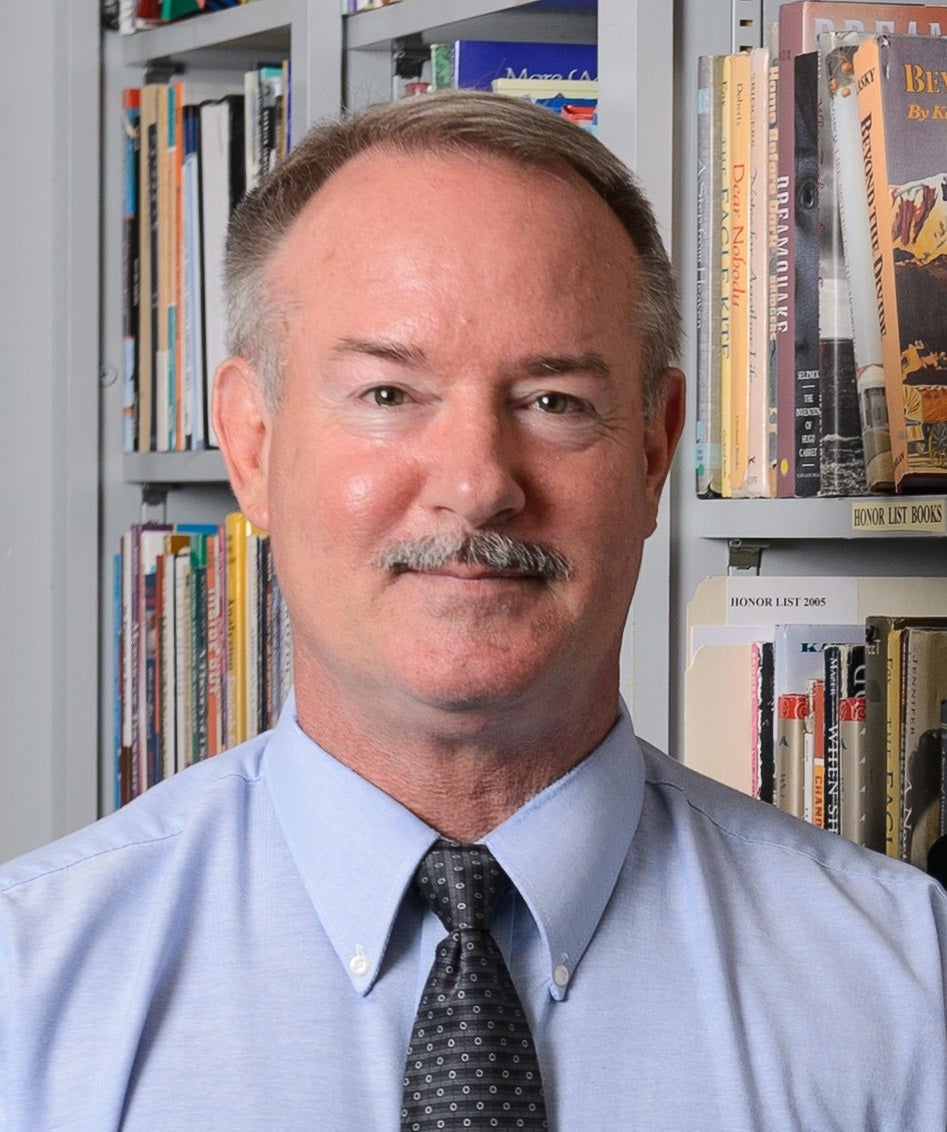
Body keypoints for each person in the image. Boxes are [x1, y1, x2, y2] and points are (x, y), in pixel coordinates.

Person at [1, 91, 945, 1131]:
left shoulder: (901, 984)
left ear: (651, 449)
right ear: (253, 445)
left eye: (552, 401)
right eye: (388, 394)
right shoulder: (31, 991)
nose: (476, 482)